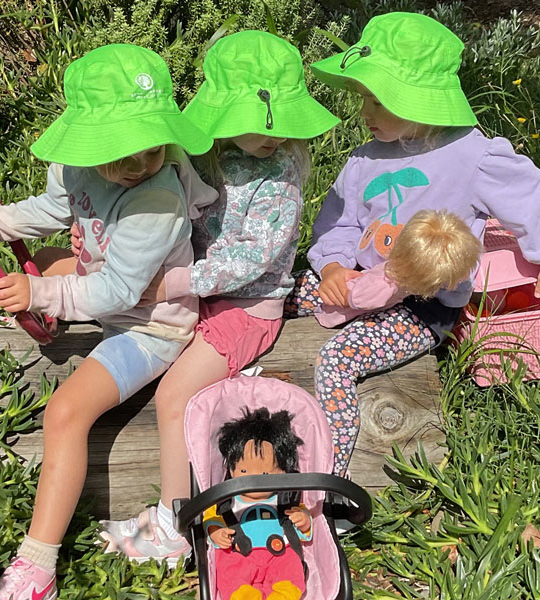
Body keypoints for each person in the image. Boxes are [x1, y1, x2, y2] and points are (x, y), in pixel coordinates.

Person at [0, 44, 216, 600]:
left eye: (151, 148)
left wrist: (40, 293)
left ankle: (36, 566)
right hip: (109, 287)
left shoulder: (156, 200)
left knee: (65, 412)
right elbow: (53, 210)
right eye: (120, 153)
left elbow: (118, 291)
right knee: (32, 264)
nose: (140, 165)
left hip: (148, 325)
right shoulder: (77, 163)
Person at [284, 12, 540, 477]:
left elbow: (532, 196)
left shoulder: (473, 156)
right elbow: (339, 221)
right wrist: (332, 267)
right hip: (360, 279)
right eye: (364, 97)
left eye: (379, 100)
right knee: (275, 295)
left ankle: (330, 480)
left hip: (422, 306)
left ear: (421, 101)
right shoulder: (365, 158)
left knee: (339, 360)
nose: (365, 111)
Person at [96, 30, 339, 563]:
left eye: (279, 127)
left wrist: (178, 282)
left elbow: (249, 258)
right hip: (204, 293)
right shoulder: (212, 155)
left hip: (247, 308)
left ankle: (174, 523)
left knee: (172, 396)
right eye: (255, 126)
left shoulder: (278, 180)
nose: (272, 138)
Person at [203, 407, 312, 600]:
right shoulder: (227, 500)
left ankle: (282, 596)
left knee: (291, 569)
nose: (253, 481)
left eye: (265, 474)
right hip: (239, 553)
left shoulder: (285, 498)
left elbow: (303, 523)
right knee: (229, 571)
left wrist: (304, 521)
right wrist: (215, 531)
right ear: (231, 469)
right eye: (244, 472)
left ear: (284, 472)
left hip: (280, 552)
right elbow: (211, 519)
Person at [314, 209, 483, 328]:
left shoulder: (389, 275)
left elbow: (355, 297)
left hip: (339, 307)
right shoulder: (387, 284)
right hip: (334, 312)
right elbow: (355, 299)